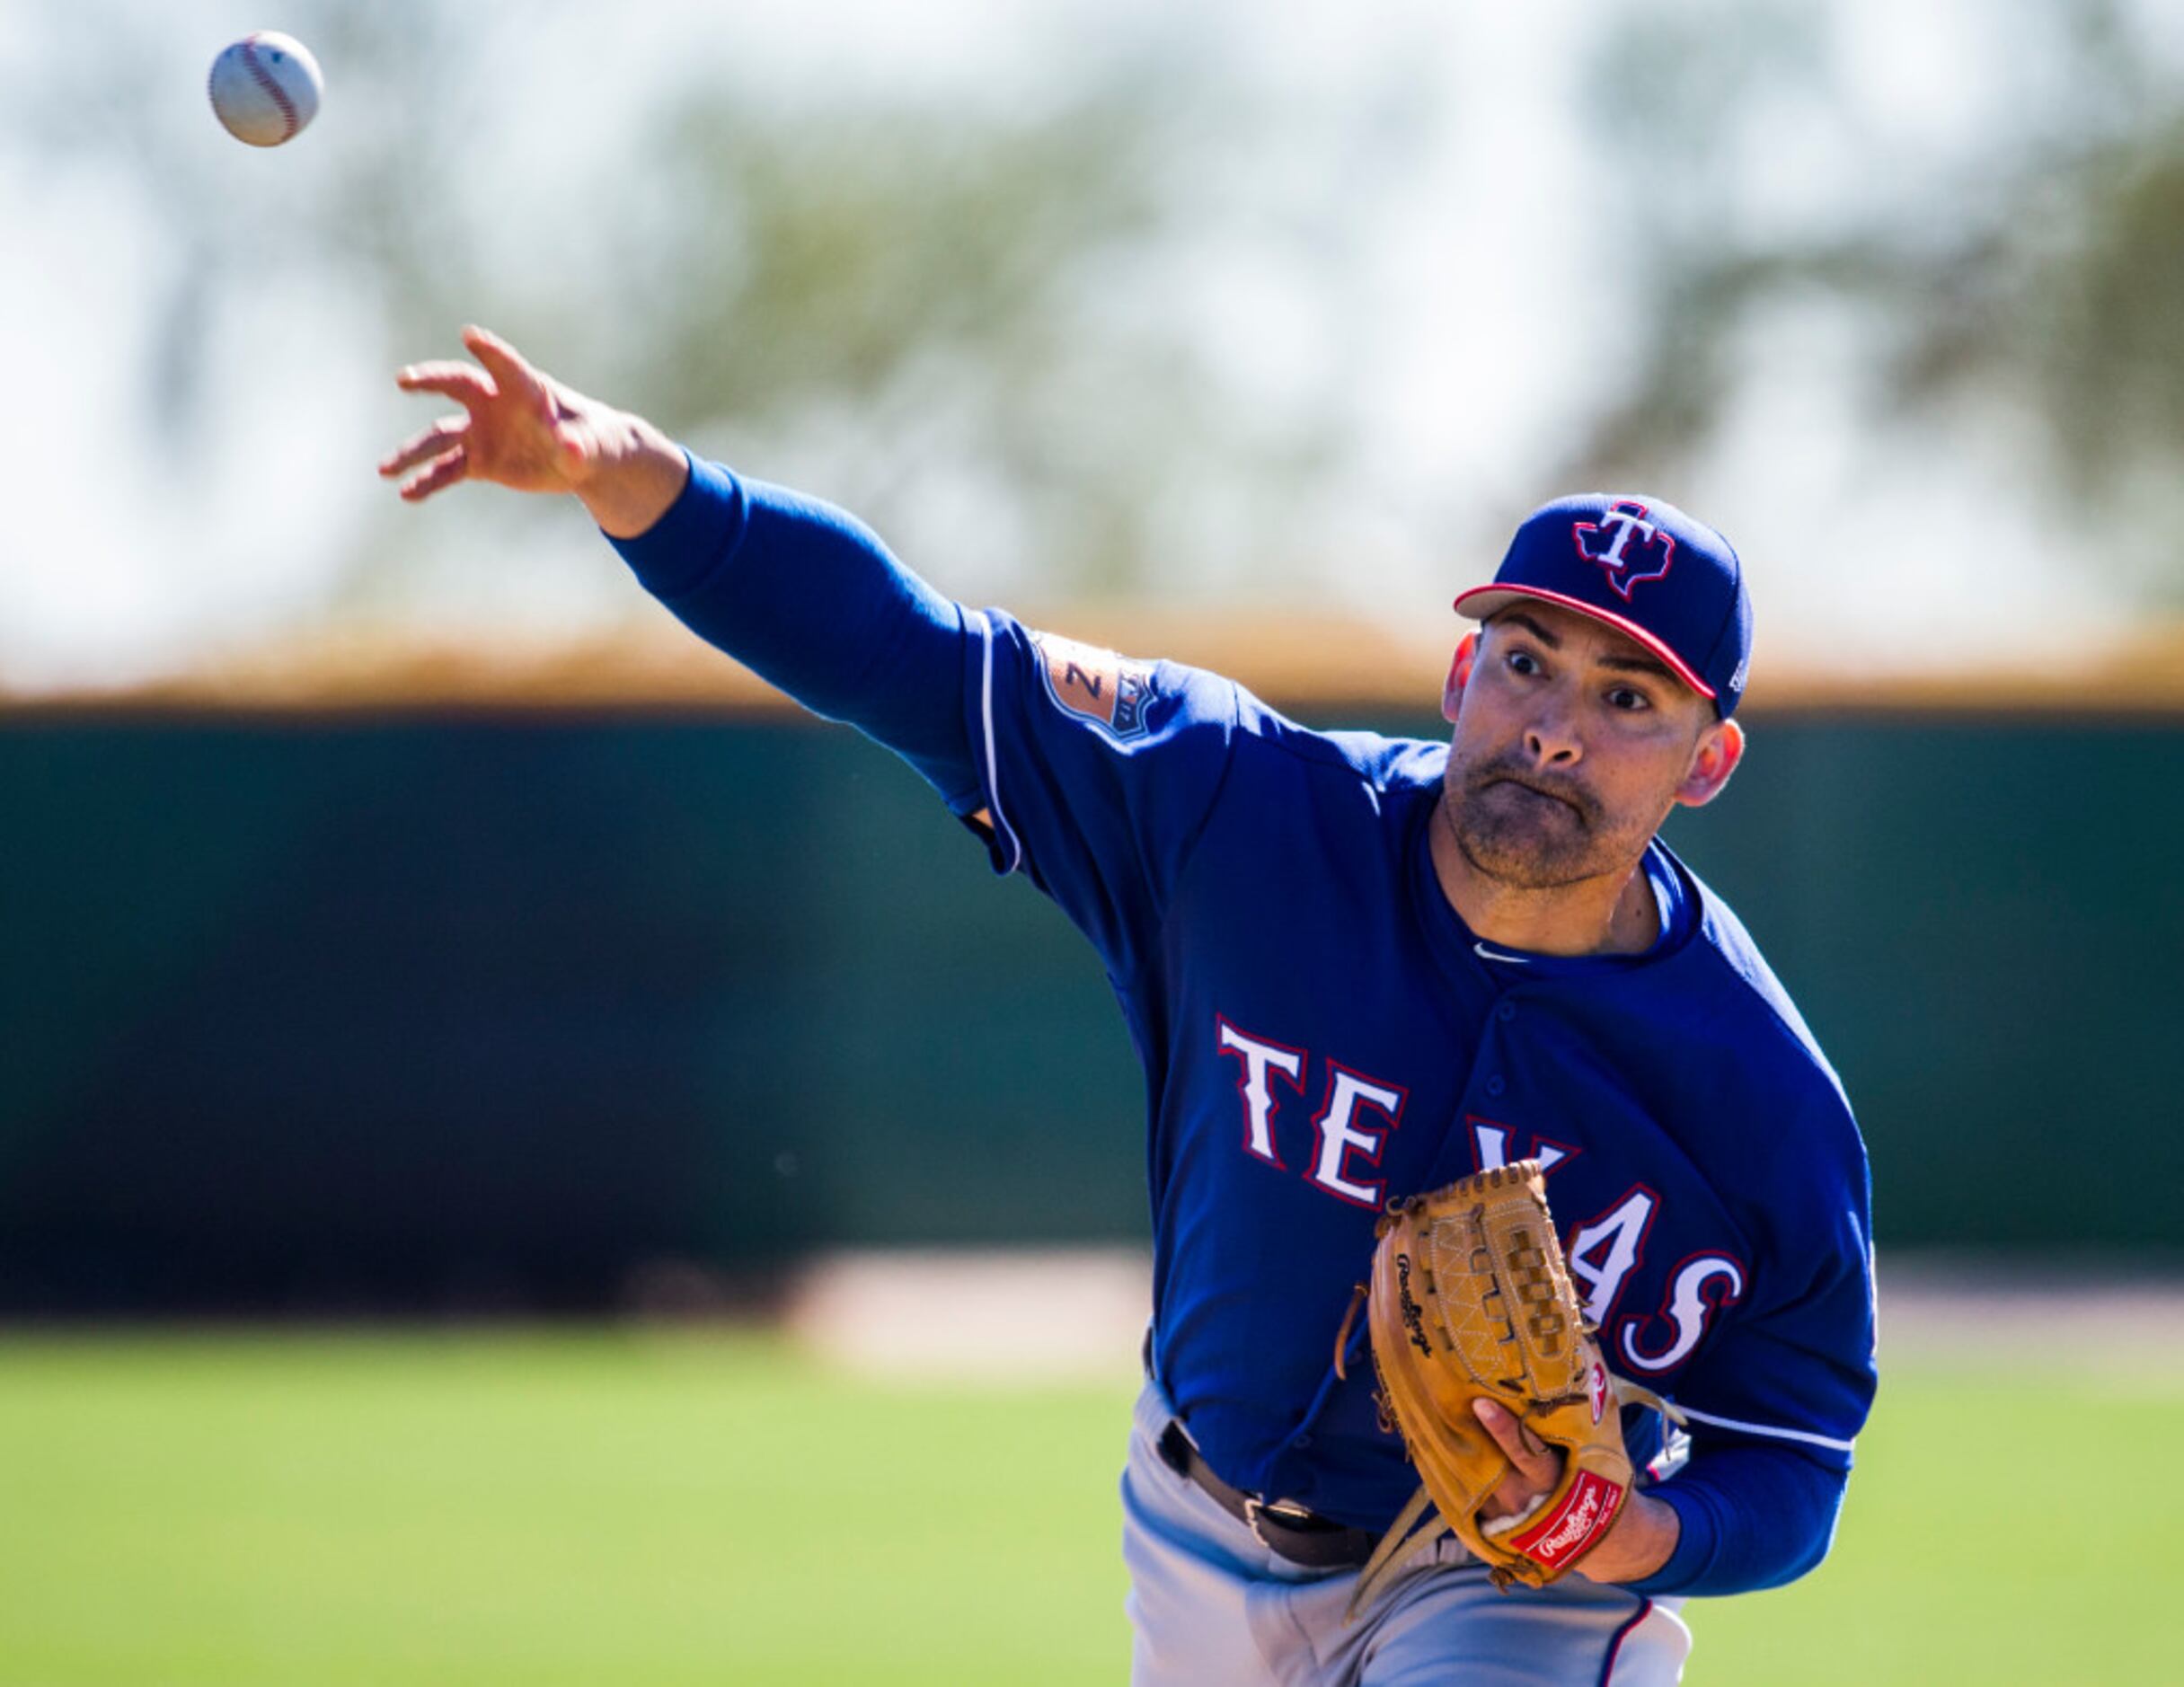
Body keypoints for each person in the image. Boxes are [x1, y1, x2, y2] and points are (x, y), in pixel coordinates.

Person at [381, 327, 1877, 1685]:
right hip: (1193, 1523)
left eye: (1630, 700)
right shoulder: (1233, 807)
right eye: (1527, 661)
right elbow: (909, 654)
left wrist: (1641, 1536)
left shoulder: (1759, 1101)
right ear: (1457, 670)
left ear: (1708, 761)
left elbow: (1795, 1457)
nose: (1552, 728)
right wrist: (635, 479)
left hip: (1502, 1575)